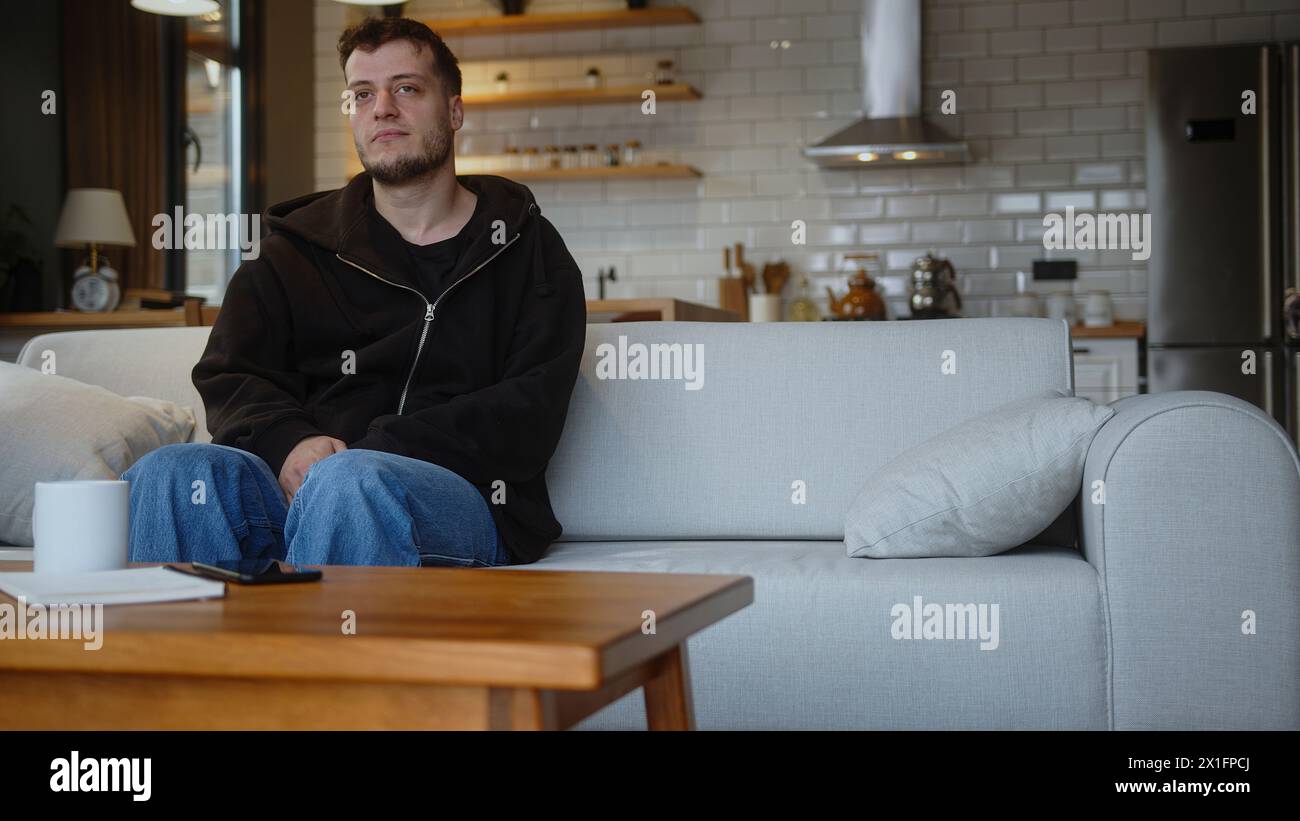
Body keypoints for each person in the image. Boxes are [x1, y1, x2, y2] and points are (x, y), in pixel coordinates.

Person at [124, 17, 586, 569]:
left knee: (352, 483)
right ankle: (185, 657)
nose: (382, 108)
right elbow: (231, 372)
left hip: (461, 498)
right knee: (172, 471)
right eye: (362, 94)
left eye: (406, 88)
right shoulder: (293, 250)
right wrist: (289, 443)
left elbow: (529, 411)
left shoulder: (525, 248)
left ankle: (328, 654)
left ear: (455, 110)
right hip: (299, 485)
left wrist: (373, 451)